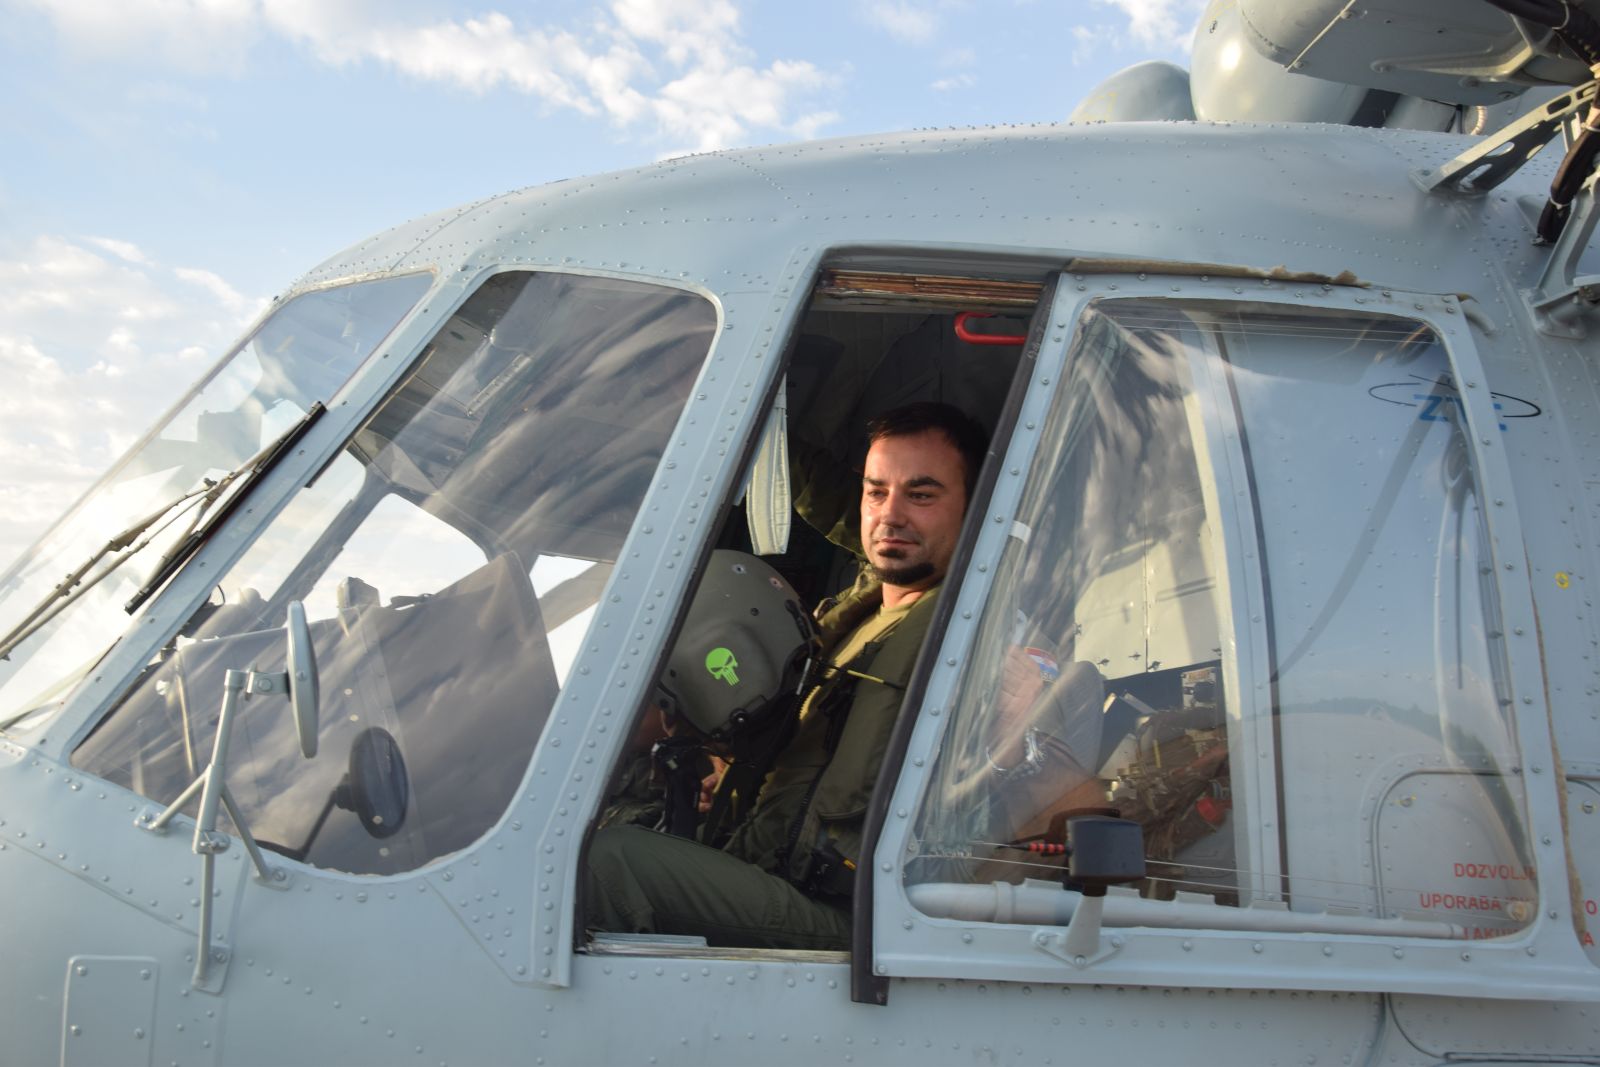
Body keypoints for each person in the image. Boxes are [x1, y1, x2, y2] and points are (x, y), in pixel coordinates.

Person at [583, 401, 987, 950]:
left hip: (848, 914)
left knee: (605, 864)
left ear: (974, 506)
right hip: (763, 861)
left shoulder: (973, 626)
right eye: (876, 492)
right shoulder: (856, 616)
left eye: (921, 495)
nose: (891, 515)